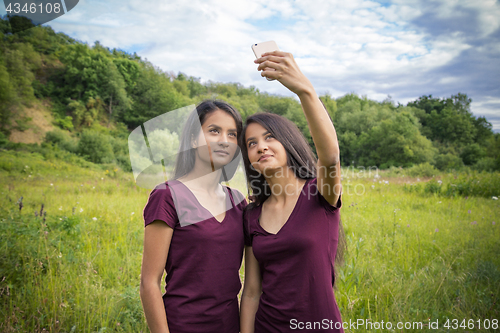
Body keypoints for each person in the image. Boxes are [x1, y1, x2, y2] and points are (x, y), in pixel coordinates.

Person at [239, 51, 346, 333]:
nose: (261, 146)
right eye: (251, 143)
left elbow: (330, 156)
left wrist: (304, 89)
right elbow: (251, 291)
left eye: (269, 137)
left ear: (288, 143)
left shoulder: (321, 194)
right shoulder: (252, 215)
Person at [140, 100, 247, 333]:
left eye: (232, 134)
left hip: (230, 326)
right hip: (182, 326)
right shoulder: (167, 195)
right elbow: (149, 283)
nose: (224, 140)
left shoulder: (238, 201)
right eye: (214, 131)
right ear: (192, 139)